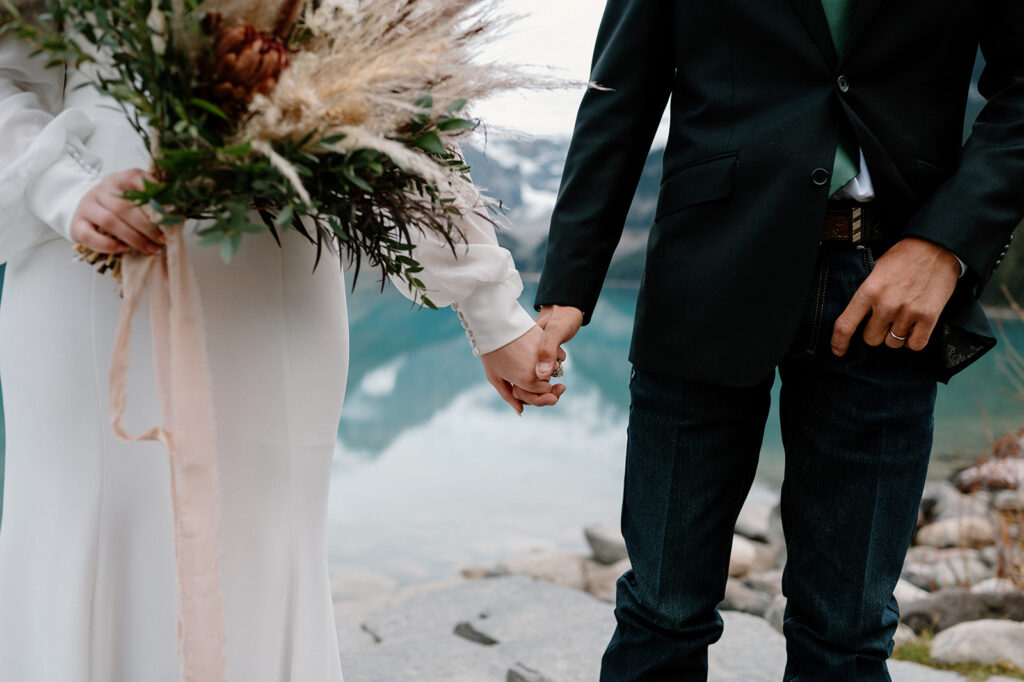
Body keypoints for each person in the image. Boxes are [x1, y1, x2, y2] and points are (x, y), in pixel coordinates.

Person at [0, 6, 561, 681]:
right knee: (92, 539)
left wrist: (492, 310)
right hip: (91, 251)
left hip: (275, 256)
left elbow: (399, 99)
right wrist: (63, 185)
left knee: (264, 553)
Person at [532, 0, 1023, 680]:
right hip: (705, 274)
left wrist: (946, 244)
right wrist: (567, 287)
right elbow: (622, 91)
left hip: (891, 289)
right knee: (662, 611)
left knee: (847, 634)